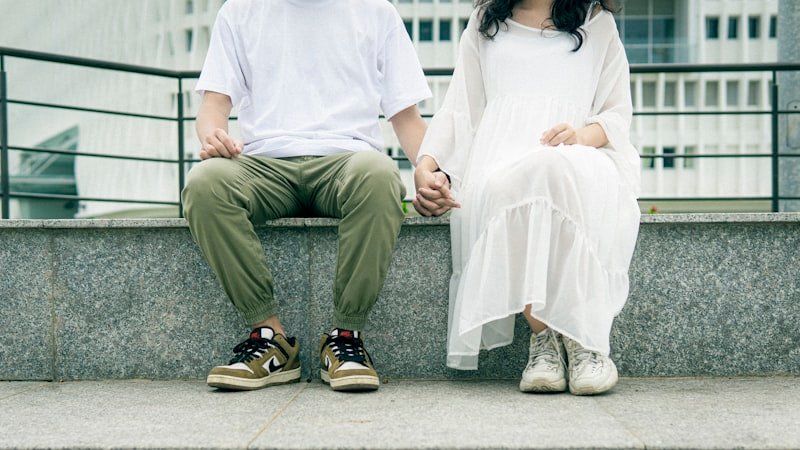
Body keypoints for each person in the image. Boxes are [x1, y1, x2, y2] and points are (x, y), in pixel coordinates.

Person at [182, 0, 434, 392]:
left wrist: (430, 172)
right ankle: (270, 339)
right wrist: (213, 134)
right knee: (205, 182)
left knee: (380, 172)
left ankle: (346, 339)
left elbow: (406, 117)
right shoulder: (239, 10)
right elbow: (213, 106)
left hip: (347, 161)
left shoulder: (376, 11)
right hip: (263, 164)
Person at [413, 0, 641, 395]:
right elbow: (459, 109)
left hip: (579, 159)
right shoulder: (486, 23)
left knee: (551, 169)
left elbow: (616, 113)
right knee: (519, 182)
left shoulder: (596, 22)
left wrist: (579, 137)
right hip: (499, 164)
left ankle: (582, 341)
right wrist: (427, 166)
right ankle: (545, 340)